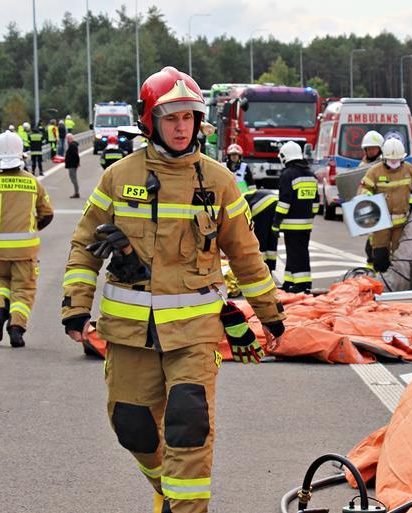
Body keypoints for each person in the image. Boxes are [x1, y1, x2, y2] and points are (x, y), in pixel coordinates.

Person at [61, 66, 285, 513]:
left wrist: (270, 312)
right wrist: (75, 307)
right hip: (128, 332)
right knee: (132, 427)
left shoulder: (218, 181)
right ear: (151, 121)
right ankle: (167, 488)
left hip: (195, 332)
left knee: (189, 423)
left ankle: (185, 508)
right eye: (171, 118)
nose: (182, 127)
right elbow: (84, 245)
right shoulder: (117, 177)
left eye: (189, 117)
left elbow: (245, 255)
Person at [0, 131, 54, 347]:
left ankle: (1, 308)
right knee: (23, 288)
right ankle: (16, 328)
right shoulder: (32, 183)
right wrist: (32, 227)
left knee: (1, 283)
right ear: (20, 154)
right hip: (25, 251)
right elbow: (47, 214)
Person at [358, 138, 412, 272]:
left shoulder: (410, 170)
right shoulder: (375, 171)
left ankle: (396, 284)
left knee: (399, 256)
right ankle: (380, 283)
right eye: (392, 160)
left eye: (397, 160)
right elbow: (365, 186)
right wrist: (366, 195)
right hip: (381, 222)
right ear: (384, 158)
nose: (394, 163)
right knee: (379, 255)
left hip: (401, 222)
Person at [273, 141, 318, 292]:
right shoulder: (311, 175)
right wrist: (310, 216)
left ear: (285, 157)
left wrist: (276, 222)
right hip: (306, 223)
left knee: (295, 253)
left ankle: (302, 284)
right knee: (299, 251)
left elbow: (284, 202)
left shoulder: (288, 175)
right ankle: (289, 281)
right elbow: (316, 202)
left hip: (291, 223)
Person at [359, 130, 385, 268]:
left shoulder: (385, 166)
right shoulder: (362, 167)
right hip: (370, 209)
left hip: (385, 209)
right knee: (370, 247)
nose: (370, 151)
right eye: (368, 149)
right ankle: (371, 271)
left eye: (373, 148)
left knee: (380, 247)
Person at [244, 189, 279, 271]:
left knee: (260, 237)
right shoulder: (242, 195)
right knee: (271, 237)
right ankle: (270, 266)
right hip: (274, 200)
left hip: (260, 204)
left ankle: (260, 267)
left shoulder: (235, 200)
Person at [64, 133, 81, 198]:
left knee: (73, 179)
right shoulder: (73, 145)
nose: (67, 140)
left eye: (68, 139)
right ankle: (76, 192)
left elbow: (76, 155)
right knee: (73, 179)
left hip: (72, 165)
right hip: (72, 164)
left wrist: (77, 163)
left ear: (70, 139)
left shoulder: (72, 146)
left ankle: (76, 193)